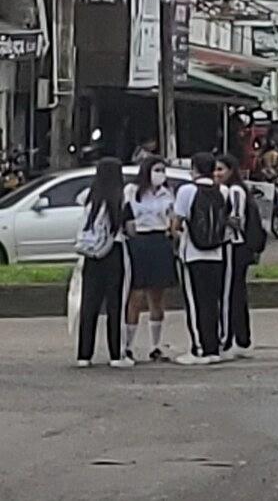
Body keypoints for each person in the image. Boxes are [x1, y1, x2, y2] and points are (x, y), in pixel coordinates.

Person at [172, 153, 230, 365]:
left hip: (193, 254)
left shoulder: (187, 191)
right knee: (211, 302)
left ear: (194, 169)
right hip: (217, 253)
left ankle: (199, 349)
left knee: (195, 303)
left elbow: (176, 223)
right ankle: (214, 348)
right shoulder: (223, 191)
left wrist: (175, 234)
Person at [75, 157, 133, 368]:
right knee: (115, 304)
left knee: (89, 304)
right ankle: (116, 354)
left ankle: (84, 354)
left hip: (91, 254)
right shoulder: (122, 200)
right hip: (114, 252)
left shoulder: (89, 198)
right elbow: (131, 229)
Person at [121, 156, 177, 362]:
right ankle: (128, 345)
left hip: (159, 240)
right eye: (156, 170)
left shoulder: (167, 193)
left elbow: (172, 218)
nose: (160, 174)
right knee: (135, 296)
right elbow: (126, 217)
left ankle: (155, 345)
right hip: (139, 241)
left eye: (162, 170)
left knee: (157, 295)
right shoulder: (132, 191)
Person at [215, 154, 254, 359]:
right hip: (231, 246)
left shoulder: (234, 191)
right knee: (234, 293)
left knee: (231, 294)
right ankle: (240, 337)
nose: (217, 174)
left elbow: (237, 220)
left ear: (231, 171)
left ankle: (230, 339)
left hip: (235, 246)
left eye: (221, 169)